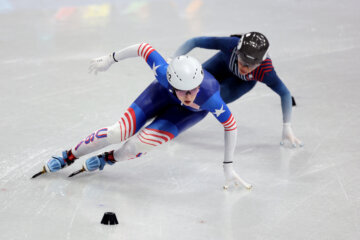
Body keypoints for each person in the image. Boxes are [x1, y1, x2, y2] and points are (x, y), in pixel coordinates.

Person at [34, 42, 252, 189]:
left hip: (184, 116)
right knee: (118, 132)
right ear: (171, 81)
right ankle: (68, 156)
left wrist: (228, 166)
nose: (189, 96)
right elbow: (143, 48)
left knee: (136, 146)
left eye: (193, 90)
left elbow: (231, 127)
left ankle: (107, 159)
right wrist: (110, 59)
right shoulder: (163, 71)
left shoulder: (210, 98)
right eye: (183, 91)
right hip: (159, 94)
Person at [173, 32, 303, 147]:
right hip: (222, 64)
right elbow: (195, 41)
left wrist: (287, 126)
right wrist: (174, 60)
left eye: (250, 65)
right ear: (237, 52)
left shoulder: (266, 71)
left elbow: (285, 94)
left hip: (240, 83)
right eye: (242, 60)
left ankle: (175, 123)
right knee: (190, 81)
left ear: (260, 63)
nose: (244, 68)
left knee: (207, 102)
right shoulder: (231, 45)